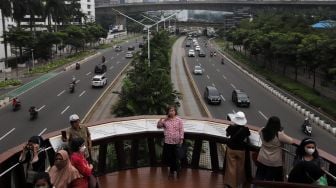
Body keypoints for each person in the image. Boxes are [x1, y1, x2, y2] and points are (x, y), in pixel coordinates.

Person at [255, 116, 294, 181]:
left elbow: (258, 133)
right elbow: (291, 141)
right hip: (273, 162)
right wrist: (282, 132)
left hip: (262, 158)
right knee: (269, 180)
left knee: (259, 176)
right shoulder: (279, 134)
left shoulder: (262, 130)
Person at [223, 111, 251, 188]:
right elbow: (248, 136)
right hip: (241, 150)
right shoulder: (246, 129)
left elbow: (227, 134)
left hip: (231, 149)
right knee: (240, 167)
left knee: (231, 167)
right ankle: (239, 183)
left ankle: (231, 184)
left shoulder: (231, 127)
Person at [157, 106, 184, 178]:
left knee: (176, 157)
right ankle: (176, 170)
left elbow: (181, 130)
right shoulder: (166, 120)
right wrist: (160, 121)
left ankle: (173, 171)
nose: (171, 112)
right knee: (170, 157)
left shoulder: (179, 120)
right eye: (170, 111)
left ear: (175, 112)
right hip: (168, 142)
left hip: (176, 142)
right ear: (168, 112)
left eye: (173, 110)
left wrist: (181, 139)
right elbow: (159, 126)